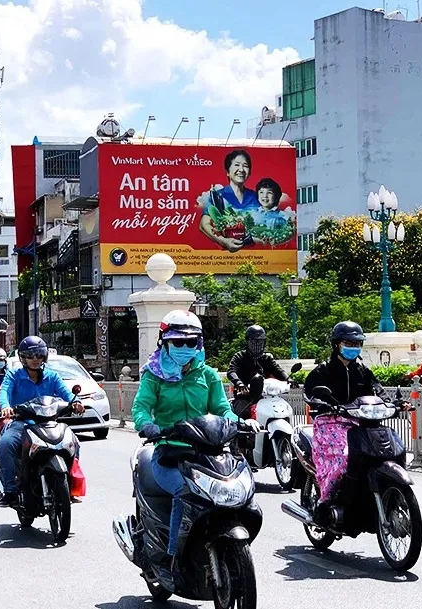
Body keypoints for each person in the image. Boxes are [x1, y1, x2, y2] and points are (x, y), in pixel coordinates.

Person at [132, 310, 259, 577]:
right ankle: (171, 559)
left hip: (209, 453)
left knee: (238, 492)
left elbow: (223, 409)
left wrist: (240, 422)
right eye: (178, 342)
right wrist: (148, 425)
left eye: (191, 342)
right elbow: (141, 408)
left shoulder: (209, 375)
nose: (185, 347)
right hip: (170, 452)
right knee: (183, 492)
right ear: (164, 342)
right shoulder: (153, 375)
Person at [303, 321, 387, 526]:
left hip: (359, 421)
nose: (354, 347)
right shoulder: (322, 371)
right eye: (348, 343)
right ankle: (324, 502)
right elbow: (309, 393)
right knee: (343, 460)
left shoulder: (363, 371)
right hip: (329, 422)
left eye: (358, 343)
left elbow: (378, 389)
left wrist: (394, 403)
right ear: (336, 344)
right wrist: (323, 403)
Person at [0, 336, 84, 507]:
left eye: (39, 355)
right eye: (30, 355)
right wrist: (6, 406)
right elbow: (4, 391)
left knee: (74, 443)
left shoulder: (52, 376)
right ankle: (10, 491)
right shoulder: (14, 375)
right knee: (5, 444)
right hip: (21, 423)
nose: (35, 359)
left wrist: (76, 402)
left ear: (44, 357)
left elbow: (66, 393)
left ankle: (70, 486)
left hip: (49, 423)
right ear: (23, 358)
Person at [198, 149, 259, 252]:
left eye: (245, 166)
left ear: (249, 173)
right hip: (226, 259)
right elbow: (204, 224)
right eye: (237, 165)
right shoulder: (217, 196)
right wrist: (223, 241)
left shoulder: (256, 197)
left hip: (259, 258)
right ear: (228, 172)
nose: (241, 169)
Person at [227, 325, 289, 419]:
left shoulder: (267, 358)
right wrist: (239, 384)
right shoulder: (240, 356)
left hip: (266, 397)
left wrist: (288, 379)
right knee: (243, 416)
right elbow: (231, 371)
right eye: (253, 341)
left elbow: (277, 370)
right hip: (245, 397)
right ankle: (244, 432)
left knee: (282, 410)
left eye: (260, 341)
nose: (257, 344)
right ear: (247, 342)